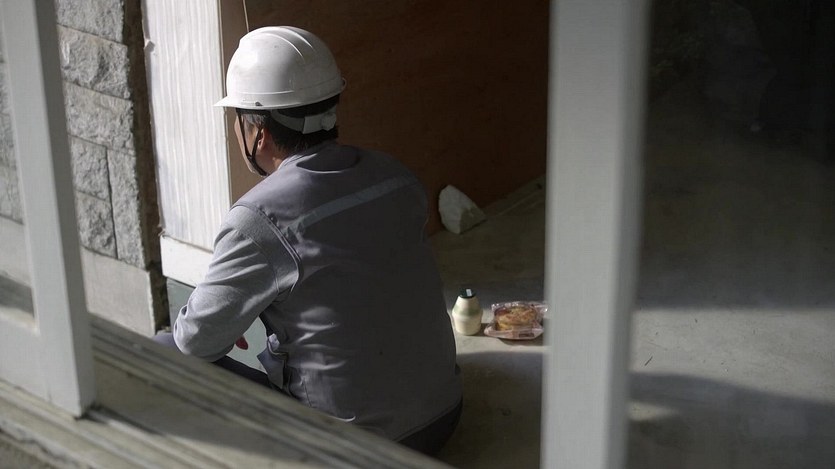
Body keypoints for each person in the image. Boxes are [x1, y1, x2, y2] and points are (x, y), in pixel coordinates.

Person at [155, 26, 462, 455]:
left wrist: (226, 319)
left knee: (164, 349)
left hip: (357, 451)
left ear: (257, 132)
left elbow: (194, 342)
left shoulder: (259, 217)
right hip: (443, 418)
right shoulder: (395, 177)